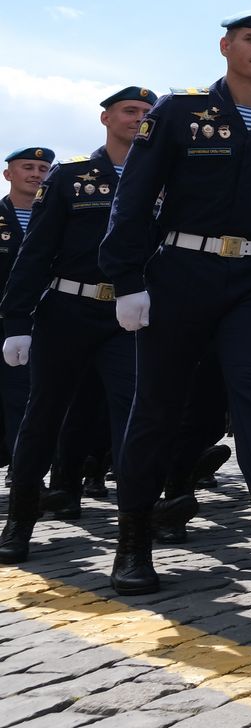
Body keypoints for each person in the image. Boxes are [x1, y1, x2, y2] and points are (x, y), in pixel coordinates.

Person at [99, 15, 251, 592]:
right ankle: (133, 543)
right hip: (182, 271)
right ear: (225, 47)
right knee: (156, 407)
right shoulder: (178, 111)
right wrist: (126, 278)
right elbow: (136, 193)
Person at [0, 93, 149, 560]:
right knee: (42, 416)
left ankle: (133, 540)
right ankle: (19, 520)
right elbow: (36, 252)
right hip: (66, 309)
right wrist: (17, 320)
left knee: (132, 420)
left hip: (129, 319)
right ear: (107, 119)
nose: (140, 119)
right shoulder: (71, 177)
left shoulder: (167, 178)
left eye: (148, 115)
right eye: (130, 112)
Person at [1, 145, 53, 460]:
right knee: (14, 396)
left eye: (43, 170)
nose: (36, 175)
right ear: (8, 174)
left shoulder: (54, 214)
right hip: (5, 323)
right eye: (27, 168)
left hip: (48, 319)